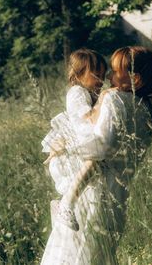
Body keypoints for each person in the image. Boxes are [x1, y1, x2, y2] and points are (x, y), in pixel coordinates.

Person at [40, 46, 152, 265]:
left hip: (93, 195)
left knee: (73, 256)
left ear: (135, 78)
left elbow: (99, 146)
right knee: (99, 256)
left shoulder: (113, 100)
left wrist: (67, 145)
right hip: (118, 196)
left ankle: (65, 203)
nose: (108, 79)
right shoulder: (147, 109)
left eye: (114, 71)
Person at [41, 48, 108, 231]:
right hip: (78, 143)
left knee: (88, 182)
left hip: (80, 140)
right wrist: (103, 100)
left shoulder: (87, 93)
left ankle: (68, 207)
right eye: (96, 74)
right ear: (78, 74)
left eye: (103, 75)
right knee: (91, 165)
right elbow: (85, 119)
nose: (101, 80)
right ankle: (66, 206)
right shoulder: (77, 92)